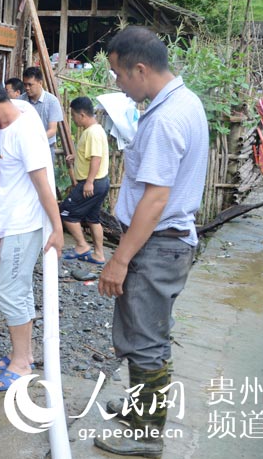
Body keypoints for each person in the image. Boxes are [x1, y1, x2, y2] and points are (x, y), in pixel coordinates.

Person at [93, 27, 208, 457]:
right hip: (167, 242)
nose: (118, 85)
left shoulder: (164, 119)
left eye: (119, 75)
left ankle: (147, 434)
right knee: (145, 333)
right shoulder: (184, 101)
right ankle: (141, 409)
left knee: (147, 341)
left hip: (157, 243)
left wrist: (119, 259)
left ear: (140, 69)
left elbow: (155, 199)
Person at [0, 75, 64, 391]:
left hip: (23, 225)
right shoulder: (4, 121)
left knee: (8, 290)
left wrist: (58, 228)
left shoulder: (25, 131)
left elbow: (43, 183)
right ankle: (23, 354)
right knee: (18, 289)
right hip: (9, 225)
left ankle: (20, 364)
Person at [60, 96, 110, 279]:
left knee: (66, 212)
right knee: (93, 218)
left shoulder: (92, 133)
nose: (73, 119)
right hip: (100, 182)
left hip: (92, 183)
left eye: (73, 116)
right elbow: (90, 156)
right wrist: (77, 158)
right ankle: (98, 255)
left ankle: (82, 245)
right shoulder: (93, 131)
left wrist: (88, 182)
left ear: (82, 114)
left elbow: (96, 158)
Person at [20, 66, 64, 161]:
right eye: (25, 85)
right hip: (23, 148)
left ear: (40, 83)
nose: (27, 88)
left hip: (45, 147)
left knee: (46, 176)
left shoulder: (52, 101)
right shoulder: (20, 101)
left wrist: (34, 140)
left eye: (30, 85)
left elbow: (52, 130)